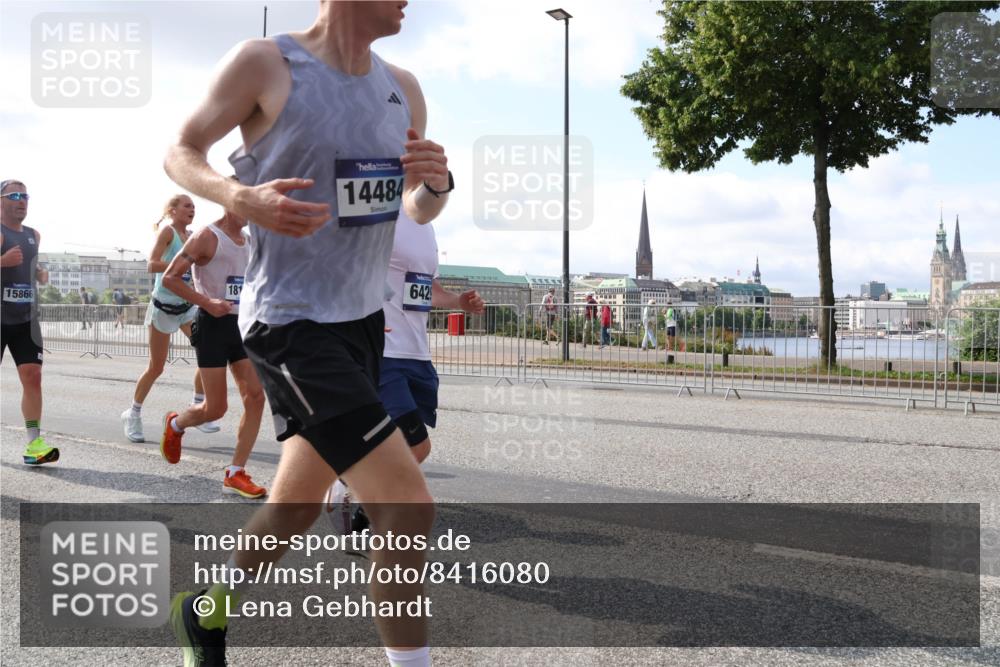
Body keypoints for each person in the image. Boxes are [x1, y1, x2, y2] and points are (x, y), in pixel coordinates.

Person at [162, 2, 449, 665]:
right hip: (291, 324)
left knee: (294, 503)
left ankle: (205, 613)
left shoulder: (402, 88)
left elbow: (413, 206)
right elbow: (181, 151)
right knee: (407, 506)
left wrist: (436, 184)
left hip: (360, 326)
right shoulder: (267, 63)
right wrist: (238, 196)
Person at [326, 209, 484, 531]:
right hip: (385, 352)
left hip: (417, 353)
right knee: (416, 445)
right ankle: (364, 512)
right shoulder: (377, 215)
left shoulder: (426, 226)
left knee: (401, 445)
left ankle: (347, 480)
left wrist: (458, 302)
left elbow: (428, 289)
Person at [158, 197, 268, 499]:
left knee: (256, 398)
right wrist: (207, 302)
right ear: (230, 202)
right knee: (216, 408)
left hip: (243, 327)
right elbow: (169, 278)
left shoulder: (250, 241)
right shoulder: (206, 237)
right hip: (212, 326)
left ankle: (235, 473)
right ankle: (177, 423)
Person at [120, 194, 217, 444]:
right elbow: (152, 265)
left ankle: (198, 409)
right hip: (163, 307)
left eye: (194, 206)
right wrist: (180, 265)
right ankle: (133, 413)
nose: (192, 209)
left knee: (209, 353)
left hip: (186, 307)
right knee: (157, 366)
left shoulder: (193, 236)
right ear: (172, 210)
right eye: (187, 206)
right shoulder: (168, 232)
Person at [1, 179, 58, 465]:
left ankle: (34, 445)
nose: (22, 200)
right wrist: (2, 262)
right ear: (1, 200)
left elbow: (28, 267)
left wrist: (39, 273)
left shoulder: (34, 234)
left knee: (33, 377)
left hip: (25, 319)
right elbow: (8, 263)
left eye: (25, 195)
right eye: (14, 195)